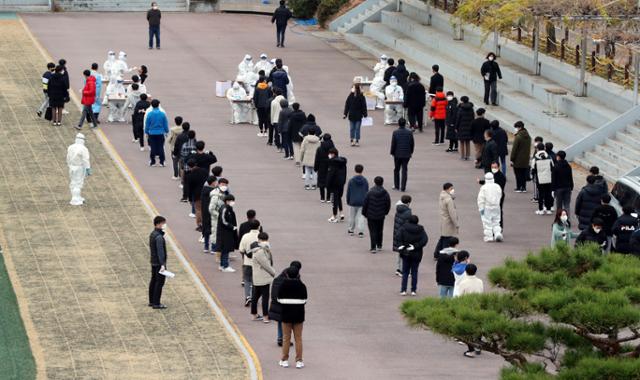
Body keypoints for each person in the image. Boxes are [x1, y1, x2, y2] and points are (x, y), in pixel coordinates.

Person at [278, 264, 307, 369]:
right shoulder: (302, 286)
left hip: (286, 316)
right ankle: (299, 361)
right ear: (298, 274)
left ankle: (284, 360)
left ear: (287, 274)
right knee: (298, 338)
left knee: (286, 338)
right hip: (299, 316)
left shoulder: (282, 285)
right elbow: (304, 301)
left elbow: (279, 300)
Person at [455, 264, 484, 358]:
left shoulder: (463, 283)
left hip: (467, 307)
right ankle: (478, 346)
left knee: (468, 329)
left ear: (466, 271)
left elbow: (460, 296)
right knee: (478, 327)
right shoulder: (480, 281)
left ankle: (471, 350)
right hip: (478, 306)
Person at [270, 261, 302, 347]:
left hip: (277, 303)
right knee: (287, 322)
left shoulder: (278, 279)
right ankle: (284, 339)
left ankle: (280, 338)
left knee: (281, 321)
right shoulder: (293, 278)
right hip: (285, 304)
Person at [398, 215, 428, 296]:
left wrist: (402, 246)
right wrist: (415, 246)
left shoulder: (403, 228)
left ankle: (403, 290)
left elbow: (398, 237)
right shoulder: (421, 229)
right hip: (417, 253)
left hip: (406, 252)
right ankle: (413, 290)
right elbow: (425, 240)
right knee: (414, 272)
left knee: (405, 272)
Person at [363, 176, 391, 253]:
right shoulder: (385, 193)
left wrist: (364, 213)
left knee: (372, 231)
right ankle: (379, 245)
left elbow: (365, 203)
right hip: (381, 215)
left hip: (371, 215)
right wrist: (385, 212)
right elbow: (388, 203)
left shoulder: (370, 192)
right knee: (380, 230)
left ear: (375, 182)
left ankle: (373, 247)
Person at [251, 232, 276, 321]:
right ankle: (265, 316)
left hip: (257, 277)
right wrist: (273, 273)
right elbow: (266, 265)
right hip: (263, 277)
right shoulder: (261, 251)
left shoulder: (260, 249)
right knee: (265, 297)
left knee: (256, 296)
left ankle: (254, 314)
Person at [239, 219, 261, 306]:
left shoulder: (245, 236)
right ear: (258, 226)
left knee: (247, 280)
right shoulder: (261, 236)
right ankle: (254, 297)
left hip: (247, 262)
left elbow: (241, 249)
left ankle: (248, 296)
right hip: (258, 263)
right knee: (256, 281)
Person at [66, 133, 91, 206]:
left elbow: (67, 158)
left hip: (71, 166)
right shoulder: (83, 148)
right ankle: (75, 199)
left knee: (73, 182)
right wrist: (88, 168)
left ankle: (77, 196)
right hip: (79, 167)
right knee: (78, 183)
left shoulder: (70, 147)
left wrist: (69, 165)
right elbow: (85, 159)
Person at [477, 172, 503, 242]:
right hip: (496, 207)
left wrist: (481, 208)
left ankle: (489, 237)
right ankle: (497, 233)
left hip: (487, 207)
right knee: (496, 221)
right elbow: (500, 195)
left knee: (487, 222)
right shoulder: (497, 186)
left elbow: (481, 199)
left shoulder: (484, 187)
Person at [390, 118, 414, 192]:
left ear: (398, 123)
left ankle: (397, 185)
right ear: (405, 123)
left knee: (396, 169)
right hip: (406, 154)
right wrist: (411, 152)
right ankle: (403, 187)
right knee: (404, 170)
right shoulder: (409, 132)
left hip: (397, 154)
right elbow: (412, 143)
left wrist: (392, 152)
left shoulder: (395, 132)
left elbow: (393, 143)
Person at [149, 215, 168, 309]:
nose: (164, 225)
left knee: (153, 281)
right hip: (158, 264)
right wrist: (163, 265)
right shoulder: (159, 237)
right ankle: (156, 303)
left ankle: (152, 301)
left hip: (153, 262)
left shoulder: (153, 234)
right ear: (159, 224)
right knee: (159, 283)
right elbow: (161, 252)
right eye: (163, 223)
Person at [217, 195, 239, 273]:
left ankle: (222, 265)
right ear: (227, 201)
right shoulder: (224, 209)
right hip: (224, 232)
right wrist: (232, 227)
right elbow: (223, 221)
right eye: (231, 201)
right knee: (225, 249)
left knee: (225, 249)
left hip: (227, 231)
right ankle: (225, 266)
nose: (233, 202)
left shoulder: (229, 208)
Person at [184, 159, 208, 229]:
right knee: (205, 209)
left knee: (198, 210)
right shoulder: (204, 171)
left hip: (197, 194)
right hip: (206, 192)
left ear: (189, 166)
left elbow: (190, 188)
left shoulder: (190, 175)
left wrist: (190, 198)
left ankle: (200, 224)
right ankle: (206, 223)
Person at [346, 164, 369, 238]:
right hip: (362, 201)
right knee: (361, 217)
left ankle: (351, 230)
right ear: (362, 170)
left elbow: (348, 191)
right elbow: (367, 191)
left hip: (352, 201)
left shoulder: (351, 180)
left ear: (355, 170)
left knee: (352, 216)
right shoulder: (365, 181)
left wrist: (348, 200)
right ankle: (361, 231)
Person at [436, 183, 459, 254]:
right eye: (451, 188)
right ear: (448, 189)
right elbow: (452, 213)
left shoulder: (442, 196)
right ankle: (444, 254)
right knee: (447, 239)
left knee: (443, 237)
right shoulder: (449, 200)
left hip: (443, 220)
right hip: (448, 222)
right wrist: (456, 224)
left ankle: (436, 253)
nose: (453, 190)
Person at [144, 99, 169, 167]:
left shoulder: (149, 114)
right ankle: (162, 161)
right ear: (158, 105)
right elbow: (165, 124)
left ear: (151, 105)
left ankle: (153, 161)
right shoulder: (162, 114)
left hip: (152, 133)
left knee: (153, 147)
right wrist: (166, 131)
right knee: (161, 147)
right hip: (160, 133)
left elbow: (147, 124)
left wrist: (146, 132)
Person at [531, 143, 554, 215]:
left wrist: (533, 176)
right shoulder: (549, 157)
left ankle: (540, 209)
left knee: (540, 194)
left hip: (539, 178)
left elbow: (533, 169)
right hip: (548, 178)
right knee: (548, 193)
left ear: (537, 149)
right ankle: (548, 209)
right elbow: (552, 167)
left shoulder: (535, 158)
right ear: (544, 148)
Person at [392, 195, 413, 276]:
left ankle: (398, 268)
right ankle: (402, 270)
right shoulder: (407, 212)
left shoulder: (399, 209)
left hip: (397, 233)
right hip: (404, 235)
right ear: (408, 202)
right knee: (404, 253)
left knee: (400, 252)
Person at [326, 148, 348, 223]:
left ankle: (334, 216)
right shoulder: (343, 162)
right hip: (341, 183)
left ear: (333, 154)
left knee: (334, 200)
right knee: (339, 198)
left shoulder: (332, 163)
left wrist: (327, 185)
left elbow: (330, 175)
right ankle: (341, 213)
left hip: (333, 184)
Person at [209, 178, 230, 253]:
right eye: (222, 184)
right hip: (216, 218)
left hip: (224, 217)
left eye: (226, 184)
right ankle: (214, 248)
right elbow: (211, 209)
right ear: (218, 184)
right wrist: (219, 216)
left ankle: (221, 249)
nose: (224, 186)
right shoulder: (215, 195)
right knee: (215, 232)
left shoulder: (226, 194)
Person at [510, 121, 532, 192]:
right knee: (523, 173)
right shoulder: (528, 136)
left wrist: (512, 159)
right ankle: (524, 187)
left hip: (518, 159)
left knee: (518, 173)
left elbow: (514, 149)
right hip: (526, 159)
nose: (515, 129)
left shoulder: (518, 137)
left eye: (516, 127)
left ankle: (519, 187)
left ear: (519, 127)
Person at [314, 134, 335, 202]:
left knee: (321, 182)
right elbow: (336, 158)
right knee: (330, 182)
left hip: (321, 166)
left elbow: (317, 159)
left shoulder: (320, 148)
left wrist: (316, 167)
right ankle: (328, 198)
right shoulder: (333, 149)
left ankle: (322, 197)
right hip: (330, 166)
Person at [455, 96, 474, 161]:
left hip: (461, 127)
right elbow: (473, 118)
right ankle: (468, 155)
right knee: (468, 142)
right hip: (469, 127)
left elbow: (458, 119)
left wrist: (456, 127)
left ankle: (462, 155)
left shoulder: (460, 109)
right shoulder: (471, 109)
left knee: (462, 142)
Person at [201, 176, 217, 253]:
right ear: (213, 182)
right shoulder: (215, 192)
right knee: (214, 230)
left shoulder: (204, 189)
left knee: (206, 229)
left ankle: (206, 246)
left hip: (205, 212)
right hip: (213, 212)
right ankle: (213, 248)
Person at [490, 161, 507, 229]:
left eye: (495, 167)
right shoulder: (491, 174)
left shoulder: (501, 176)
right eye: (492, 167)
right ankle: (492, 227)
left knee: (498, 211)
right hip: (491, 196)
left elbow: (500, 188)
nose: (493, 168)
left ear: (499, 167)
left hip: (498, 196)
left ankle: (500, 227)